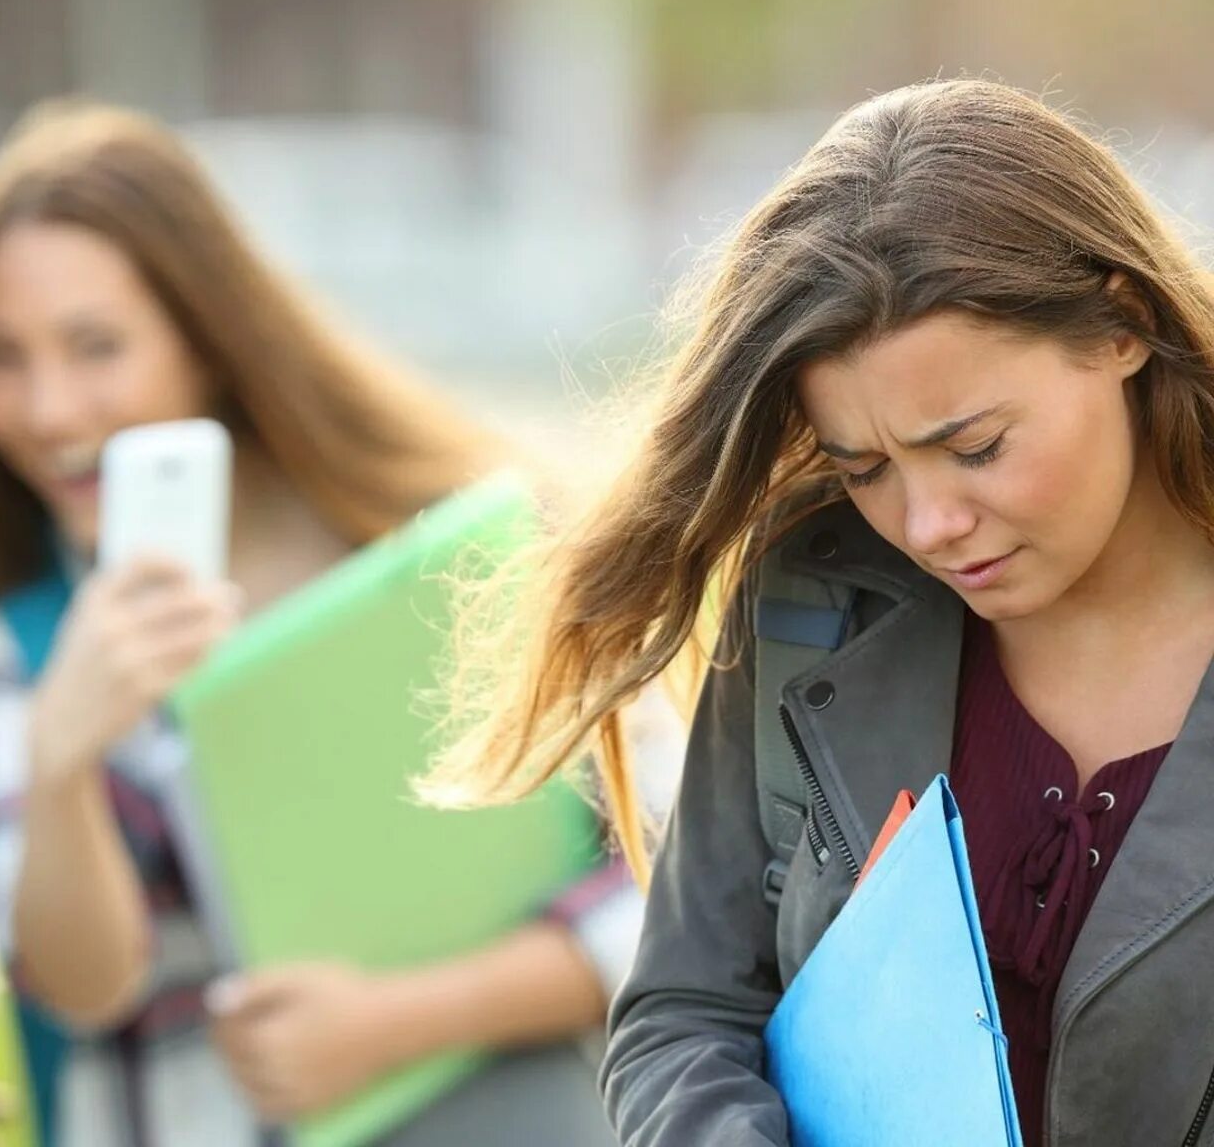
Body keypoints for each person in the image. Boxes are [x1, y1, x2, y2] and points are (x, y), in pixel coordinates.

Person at [423, 77, 1214, 1147]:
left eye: (974, 447)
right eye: (864, 467)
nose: (928, 523)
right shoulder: (809, 596)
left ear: (1122, 324)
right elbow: (686, 1012)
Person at [0, 100, 646, 1145]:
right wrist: (62, 755)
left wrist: (386, 1025)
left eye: (95, 347)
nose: (48, 409)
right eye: (0, 357)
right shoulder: (4, 644)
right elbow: (78, 986)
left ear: (204, 341)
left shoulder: (431, 554)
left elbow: (652, 895)